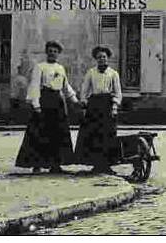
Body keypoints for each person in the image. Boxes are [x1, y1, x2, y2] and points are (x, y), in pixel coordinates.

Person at [15, 41, 79, 173]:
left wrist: (75, 100)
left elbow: (66, 87)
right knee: (40, 133)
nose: (52, 53)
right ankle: (37, 164)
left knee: (57, 133)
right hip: (44, 101)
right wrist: (36, 104)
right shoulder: (40, 67)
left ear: (58, 54)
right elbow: (34, 85)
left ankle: (56, 164)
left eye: (55, 51)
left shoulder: (60, 68)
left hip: (58, 102)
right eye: (50, 51)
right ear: (46, 52)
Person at [74, 46, 123, 174]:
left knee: (108, 134)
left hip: (107, 105)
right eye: (99, 57)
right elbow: (85, 89)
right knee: (93, 134)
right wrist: (84, 102)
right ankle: (96, 164)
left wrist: (115, 106)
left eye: (104, 57)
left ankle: (107, 165)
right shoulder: (91, 72)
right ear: (96, 59)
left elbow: (118, 92)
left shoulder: (113, 74)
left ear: (108, 59)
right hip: (94, 106)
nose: (102, 59)